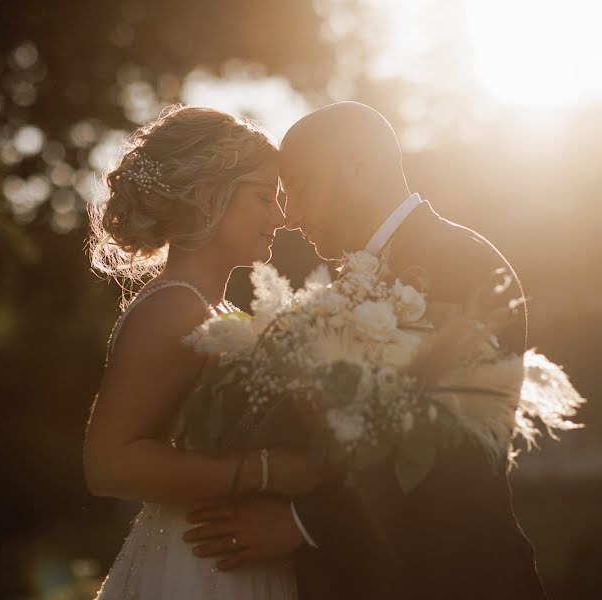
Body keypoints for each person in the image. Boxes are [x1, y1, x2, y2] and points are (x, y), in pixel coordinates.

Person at [183, 101, 547, 599]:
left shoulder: (461, 263)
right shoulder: (351, 281)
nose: (288, 216)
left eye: (301, 187)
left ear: (357, 167)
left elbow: (448, 446)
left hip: (454, 581)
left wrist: (302, 522)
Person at [84, 105, 317, 599]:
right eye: (263, 197)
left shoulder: (216, 307)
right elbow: (107, 464)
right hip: (197, 566)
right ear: (207, 197)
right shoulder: (173, 309)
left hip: (232, 554)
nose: (280, 217)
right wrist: (270, 470)